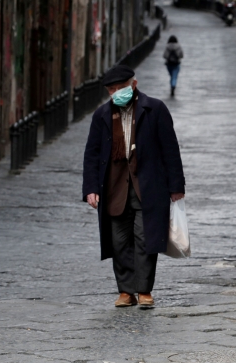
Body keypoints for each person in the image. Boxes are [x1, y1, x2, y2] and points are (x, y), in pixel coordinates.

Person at [82, 65, 185, 308]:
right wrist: (90, 188)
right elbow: (92, 153)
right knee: (119, 240)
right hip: (114, 187)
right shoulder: (102, 115)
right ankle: (126, 291)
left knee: (145, 237)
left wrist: (176, 186)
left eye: (121, 88)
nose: (116, 92)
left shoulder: (155, 109)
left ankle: (144, 290)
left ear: (134, 85)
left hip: (149, 186)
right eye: (112, 89)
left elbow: (170, 149)